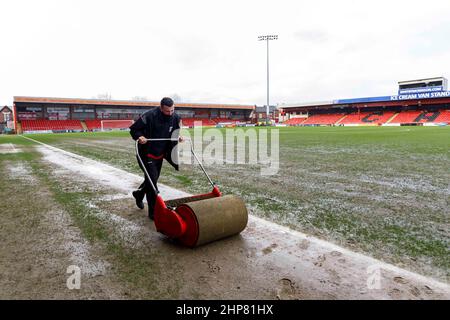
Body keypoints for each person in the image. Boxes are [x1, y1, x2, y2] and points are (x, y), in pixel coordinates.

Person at [129, 97, 183, 220]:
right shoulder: (149, 115)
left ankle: (139, 194)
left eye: (172, 110)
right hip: (146, 153)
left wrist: (178, 137)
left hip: (160, 153)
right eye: (167, 111)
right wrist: (140, 137)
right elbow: (134, 130)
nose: (170, 113)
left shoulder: (175, 117)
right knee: (153, 182)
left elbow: (174, 132)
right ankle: (153, 213)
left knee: (151, 180)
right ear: (161, 108)